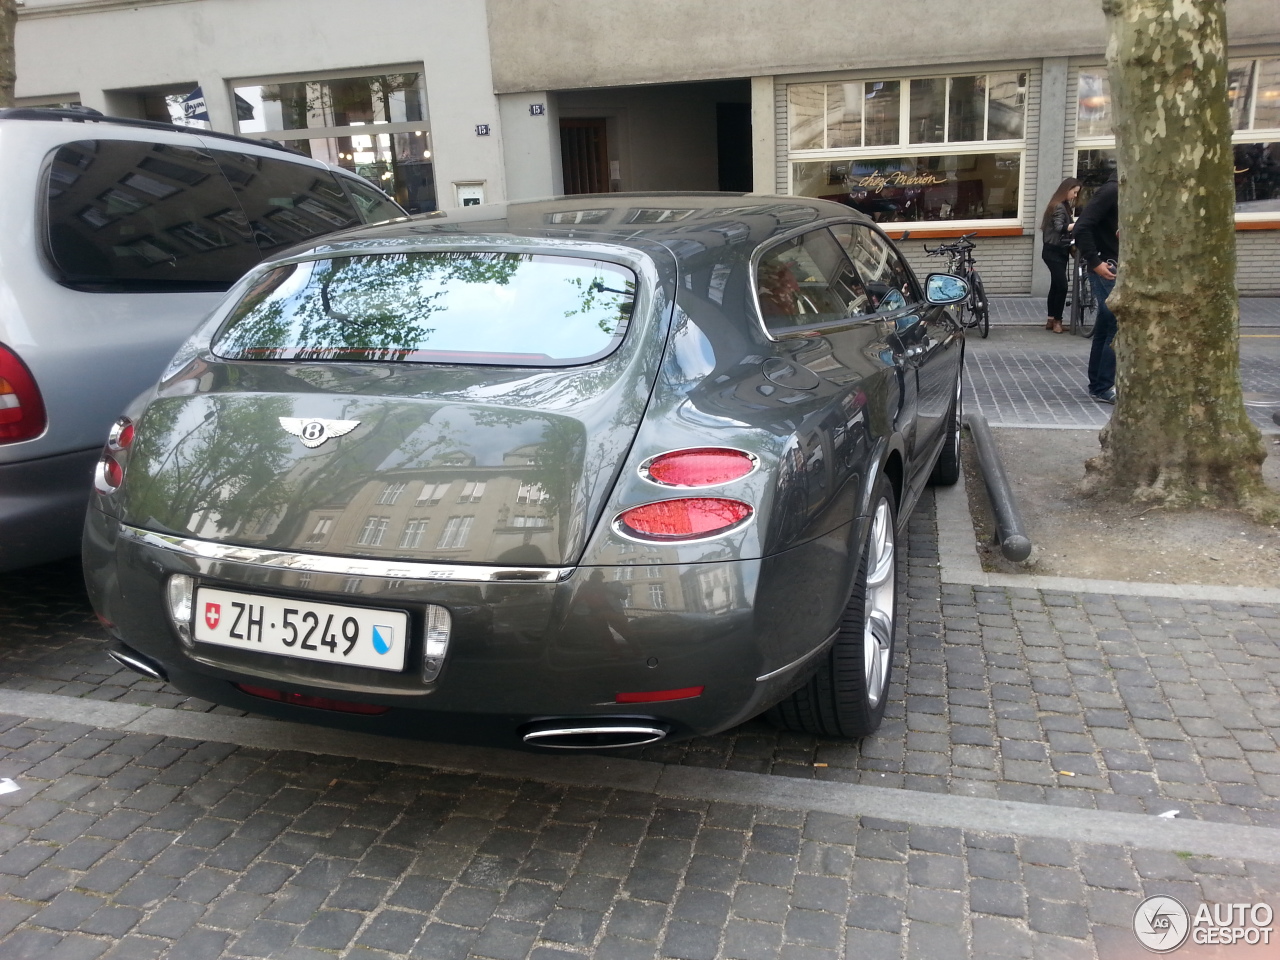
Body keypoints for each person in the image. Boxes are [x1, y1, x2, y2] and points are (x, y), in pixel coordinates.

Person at [1073, 170, 1119, 404]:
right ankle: (1103, 385)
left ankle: (1099, 384)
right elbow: (1082, 226)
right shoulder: (1112, 191)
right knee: (1114, 325)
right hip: (1108, 267)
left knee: (1105, 325)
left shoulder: (1118, 191)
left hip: (1110, 265)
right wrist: (1095, 261)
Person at [1040, 177, 1081, 334]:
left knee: (1056, 285)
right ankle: (1057, 320)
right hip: (1054, 251)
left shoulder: (1061, 205)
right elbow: (1059, 227)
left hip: (1056, 250)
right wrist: (1078, 224)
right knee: (1062, 285)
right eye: (1074, 192)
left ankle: (1051, 319)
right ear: (1067, 190)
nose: (1075, 196)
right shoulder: (1059, 206)